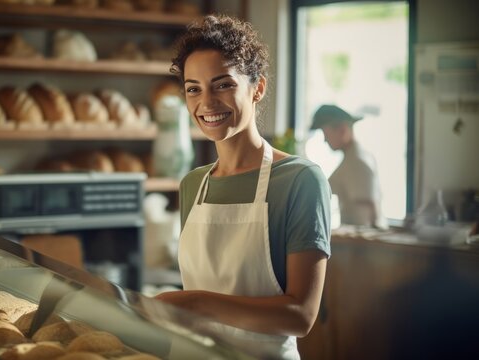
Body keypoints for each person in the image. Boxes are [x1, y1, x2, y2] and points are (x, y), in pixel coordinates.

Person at [154, 15, 331, 360]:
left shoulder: (300, 179)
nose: (206, 103)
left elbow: (300, 316)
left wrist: (197, 303)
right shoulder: (193, 184)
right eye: (193, 89)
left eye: (223, 84)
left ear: (258, 88)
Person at [310, 104, 386, 228]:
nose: (325, 140)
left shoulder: (357, 163)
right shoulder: (359, 157)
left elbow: (370, 212)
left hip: (360, 240)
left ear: (342, 130)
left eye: (326, 134)